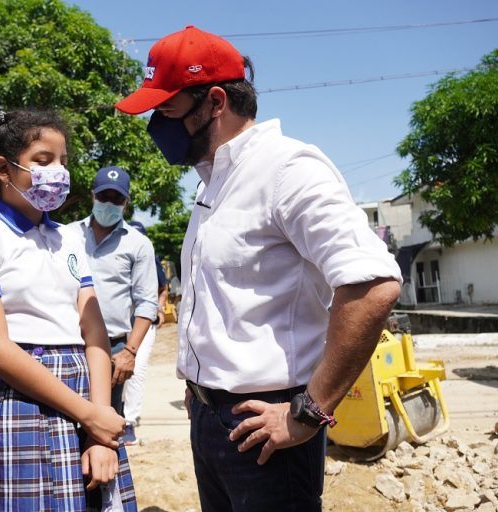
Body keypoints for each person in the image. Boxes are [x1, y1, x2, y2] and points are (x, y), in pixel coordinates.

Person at [115, 26, 402, 511]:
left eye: (166, 110)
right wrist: (200, 391)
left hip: (270, 426)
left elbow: (374, 286)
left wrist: (310, 411)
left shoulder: (288, 170)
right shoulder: (213, 186)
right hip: (212, 418)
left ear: (215, 102)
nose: (156, 124)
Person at [0, 109, 136, 511]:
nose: (58, 172)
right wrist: (90, 415)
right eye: (43, 161)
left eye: (63, 161)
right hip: (20, 399)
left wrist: (99, 429)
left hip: (87, 395)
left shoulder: (70, 239)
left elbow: (94, 335)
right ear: (3, 170)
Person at [68, 168, 159, 447]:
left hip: (114, 351)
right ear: (92, 196)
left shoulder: (138, 244)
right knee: (67, 426)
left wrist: (130, 352)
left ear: (126, 202)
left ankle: (108, 489)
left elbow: (147, 302)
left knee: (106, 430)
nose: (109, 203)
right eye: (104, 196)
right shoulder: (66, 235)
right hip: (68, 345)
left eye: (116, 199)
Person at [121, 220, 169, 441]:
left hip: (144, 324)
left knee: (136, 371)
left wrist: (158, 308)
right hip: (117, 324)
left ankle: (129, 420)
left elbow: (163, 287)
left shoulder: (151, 259)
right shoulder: (115, 256)